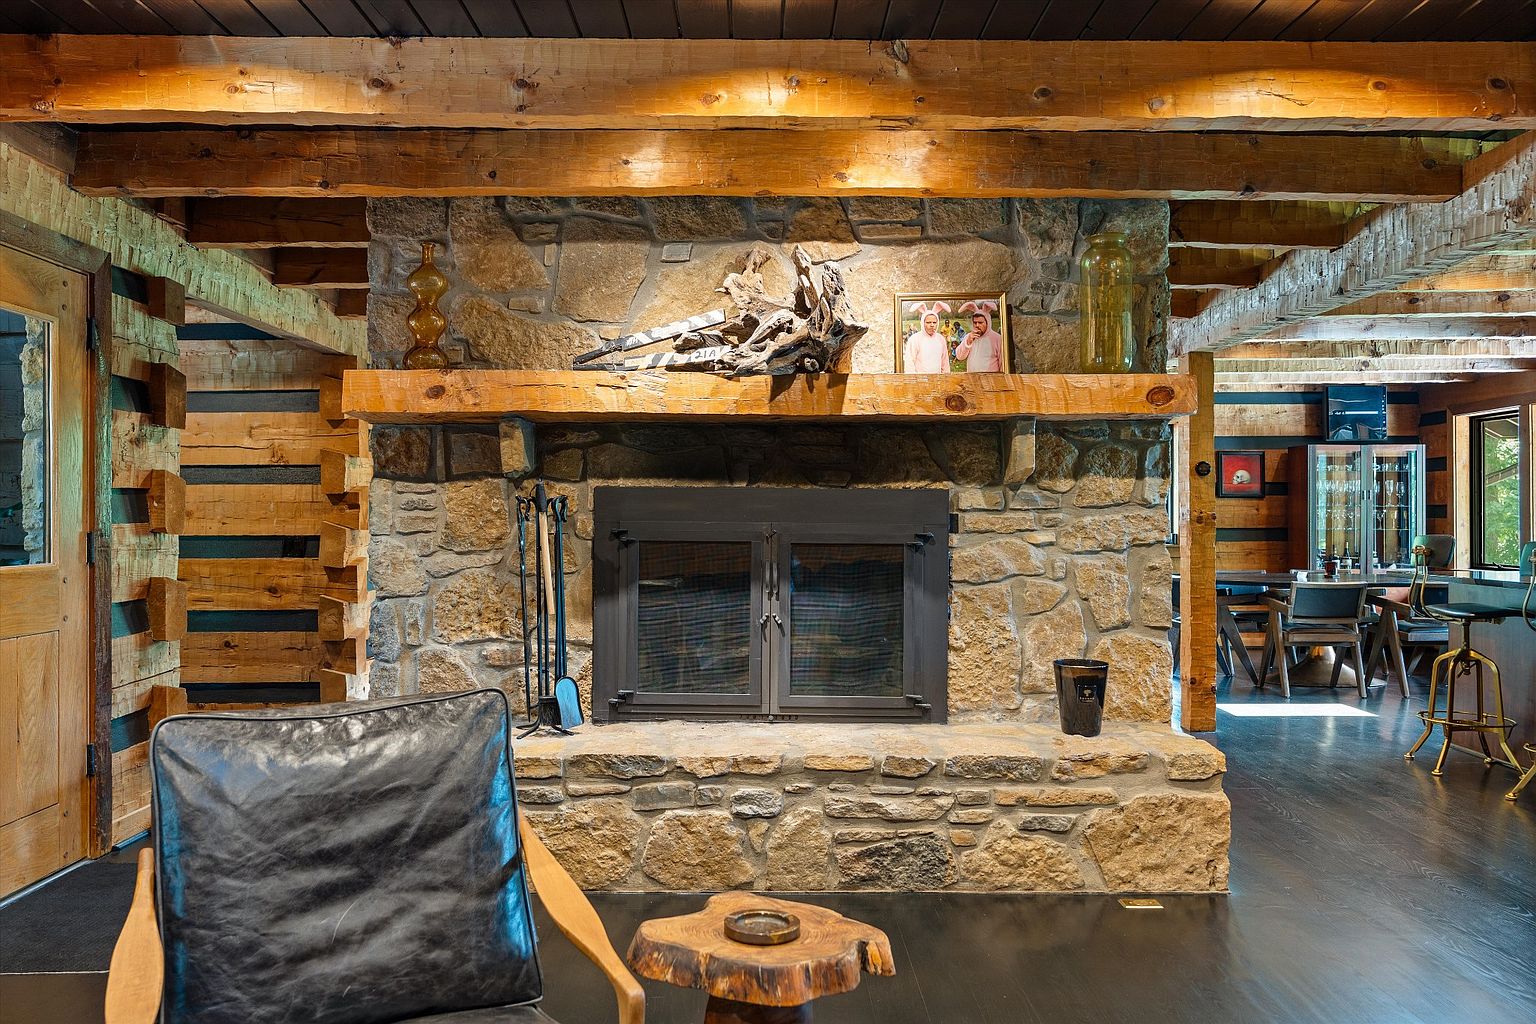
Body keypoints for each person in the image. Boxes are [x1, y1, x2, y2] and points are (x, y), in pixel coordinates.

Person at [953, 300, 1004, 372]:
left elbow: (1003, 364)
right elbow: (959, 356)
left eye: (980, 322)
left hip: (990, 380)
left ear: (987, 322)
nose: (977, 325)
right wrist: (968, 342)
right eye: (975, 322)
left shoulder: (997, 339)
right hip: (971, 380)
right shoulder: (969, 336)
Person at [902, 301, 951, 372]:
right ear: (922, 323)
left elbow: (945, 361)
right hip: (920, 380)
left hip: (938, 380)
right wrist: (912, 381)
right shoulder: (915, 339)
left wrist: (946, 378)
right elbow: (909, 362)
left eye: (934, 322)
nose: (932, 325)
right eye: (928, 322)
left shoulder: (940, 339)